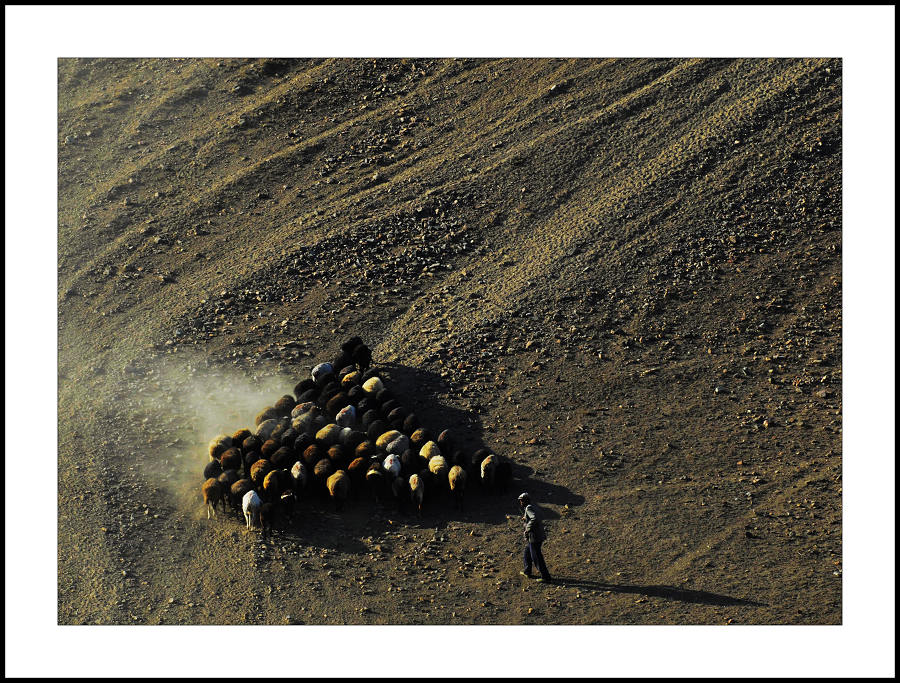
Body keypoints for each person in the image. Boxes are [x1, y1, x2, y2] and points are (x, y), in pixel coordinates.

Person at [518, 492, 552, 583]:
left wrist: (528, 528)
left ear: (525, 501)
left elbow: (534, 518)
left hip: (534, 536)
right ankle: (527, 571)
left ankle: (545, 576)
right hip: (537, 535)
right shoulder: (533, 506)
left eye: (521, 501)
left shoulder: (529, 508)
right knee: (527, 553)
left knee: (536, 557)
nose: (520, 503)